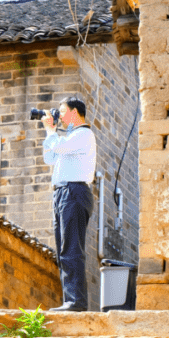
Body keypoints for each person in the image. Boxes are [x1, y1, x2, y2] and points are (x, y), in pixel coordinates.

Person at [41, 97, 97, 312]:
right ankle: (70, 301)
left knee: (71, 249)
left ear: (76, 113)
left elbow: (60, 149)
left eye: (63, 112)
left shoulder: (83, 134)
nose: (60, 116)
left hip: (74, 192)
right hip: (63, 194)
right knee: (63, 251)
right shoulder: (70, 138)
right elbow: (50, 158)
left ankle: (76, 303)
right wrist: (50, 133)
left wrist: (51, 132)